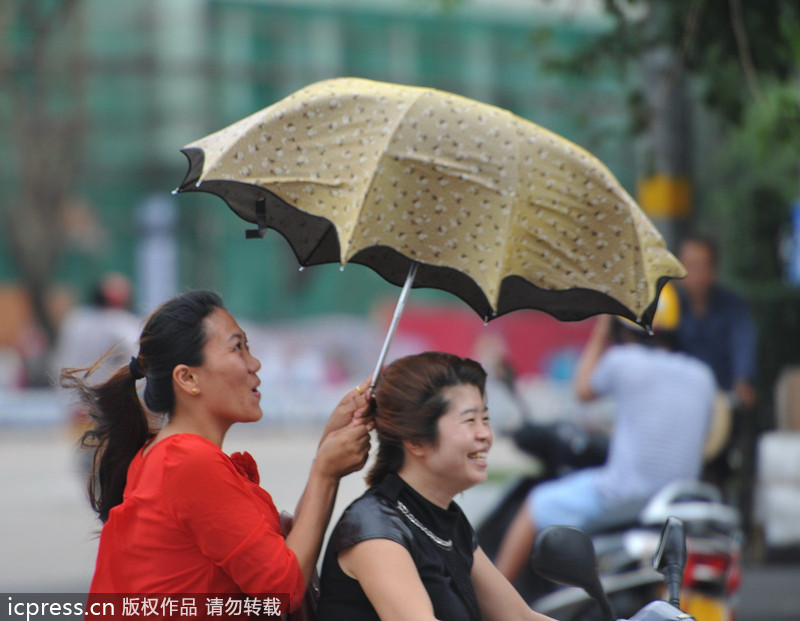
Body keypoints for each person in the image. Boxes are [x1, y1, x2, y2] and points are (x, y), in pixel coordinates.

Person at [61, 290, 372, 614]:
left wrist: (327, 447)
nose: (255, 363)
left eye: (248, 347)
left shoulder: (167, 453)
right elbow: (282, 587)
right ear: (188, 378)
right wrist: (325, 472)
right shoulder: (188, 461)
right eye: (237, 348)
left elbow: (280, 560)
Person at [494, 284, 716, 585]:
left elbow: (582, 389)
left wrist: (602, 326)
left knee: (535, 504)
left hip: (622, 497)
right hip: (678, 502)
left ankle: (494, 602)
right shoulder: (702, 375)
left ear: (623, 325)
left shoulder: (622, 361)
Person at [316, 351, 556, 621]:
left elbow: (519, 617)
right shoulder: (375, 530)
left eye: (485, 419)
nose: (485, 435)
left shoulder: (442, 518)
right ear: (415, 440)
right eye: (470, 420)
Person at [676, 234, 758, 409]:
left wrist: (743, 380)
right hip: (678, 398)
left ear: (714, 269)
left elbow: (743, 342)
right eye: (690, 265)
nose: (695, 273)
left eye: (702, 266)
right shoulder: (667, 306)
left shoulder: (733, 305)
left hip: (721, 397)